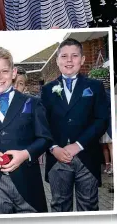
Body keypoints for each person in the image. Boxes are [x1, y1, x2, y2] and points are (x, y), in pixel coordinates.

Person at [0, 47, 52, 214]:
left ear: (13, 73)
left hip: (28, 183)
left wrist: (25, 154)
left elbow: (45, 138)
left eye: (4, 71)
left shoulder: (32, 102)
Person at [40, 39, 110, 212]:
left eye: (74, 56)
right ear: (57, 61)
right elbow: (42, 123)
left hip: (87, 156)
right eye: (64, 56)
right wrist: (53, 147)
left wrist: (78, 145)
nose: (69, 60)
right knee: (60, 206)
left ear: (83, 59)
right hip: (57, 159)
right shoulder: (47, 90)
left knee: (89, 206)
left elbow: (101, 120)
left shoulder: (95, 86)